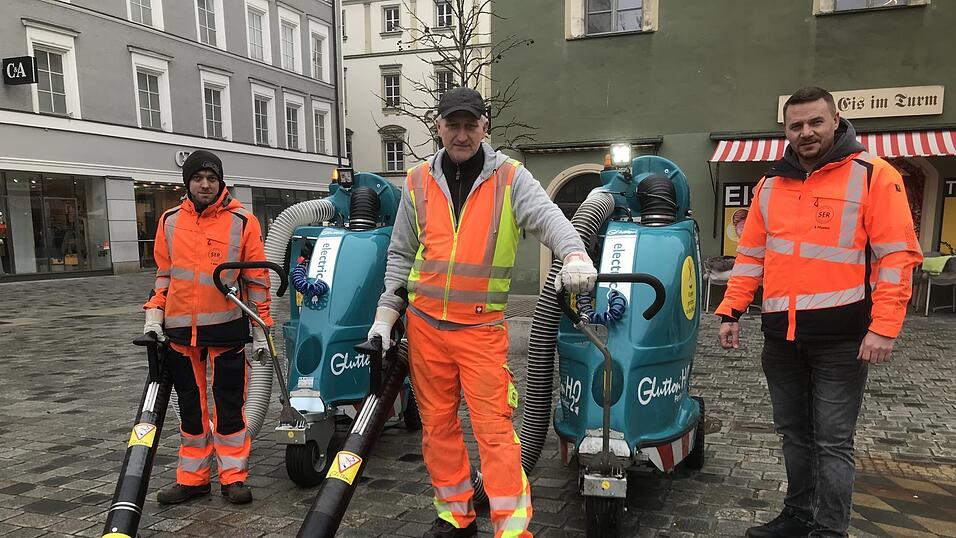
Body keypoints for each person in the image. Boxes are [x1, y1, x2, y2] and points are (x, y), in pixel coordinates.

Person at [368, 87, 597, 538]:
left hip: (480, 330)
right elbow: (399, 255)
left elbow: (549, 217)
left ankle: (512, 531)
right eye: (452, 124)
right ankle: (456, 514)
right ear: (439, 127)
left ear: (484, 126)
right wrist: (384, 317)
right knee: (437, 428)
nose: (461, 134)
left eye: (470, 124)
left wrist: (573, 253)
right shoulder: (415, 182)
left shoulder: (511, 178)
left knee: (495, 435)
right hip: (426, 329)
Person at [716, 87, 922, 538]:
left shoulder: (874, 175)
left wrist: (884, 327)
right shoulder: (770, 185)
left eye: (815, 122)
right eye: (796, 125)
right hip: (781, 337)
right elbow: (751, 255)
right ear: (786, 131)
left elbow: (897, 257)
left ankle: (830, 529)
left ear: (835, 121)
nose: (806, 132)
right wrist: (731, 309)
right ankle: (799, 515)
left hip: (841, 339)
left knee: (832, 441)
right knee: (794, 435)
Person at [143, 150, 272, 505]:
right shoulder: (169, 221)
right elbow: (164, 276)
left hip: (227, 332)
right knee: (190, 410)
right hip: (181, 335)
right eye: (198, 178)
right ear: (187, 183)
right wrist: (154, 317)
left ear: (220, 182)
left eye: (211, 178)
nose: (204, 184)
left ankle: (233, 478)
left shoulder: (243, 222)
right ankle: (193, 479)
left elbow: (257, 280)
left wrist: (261, 328)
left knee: (229, 407)